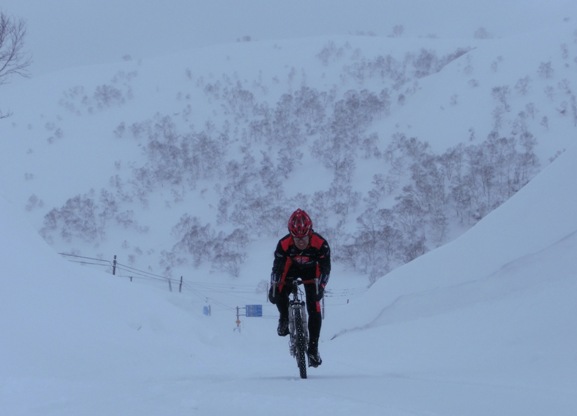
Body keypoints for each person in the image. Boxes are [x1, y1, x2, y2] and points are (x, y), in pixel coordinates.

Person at [268, 208, 331, 368]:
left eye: (304, 237)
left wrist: (321, 287)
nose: (301, 241)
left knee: (314, 306)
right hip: (291, 268)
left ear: (310, 232)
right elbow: (277, 268)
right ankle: (284, 318)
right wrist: (275, 287)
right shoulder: (283, 244)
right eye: (296, 238)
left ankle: (313, 349)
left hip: (312, 270)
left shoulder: (321, 244)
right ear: (291, 234)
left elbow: (325, 268)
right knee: (277, 294)